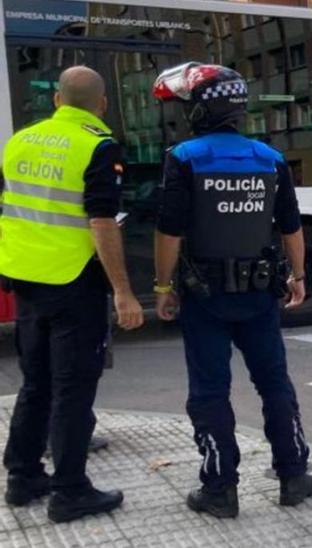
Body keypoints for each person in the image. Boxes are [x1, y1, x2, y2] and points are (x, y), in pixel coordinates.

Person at [150, 62, 312, 519]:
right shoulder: (270, 159)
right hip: (261, 294)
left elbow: (169, 231)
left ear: (200, 110)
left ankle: (220, 488)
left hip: (205, 297)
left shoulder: (184, 158)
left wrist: (163, 287)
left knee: (209, 390)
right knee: (274, 383)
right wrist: (298, 276)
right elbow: (290, 227)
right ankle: (293, 476)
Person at [1, 66, 142, 523]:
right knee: (73, 389)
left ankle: (22, 479)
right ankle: (70, 491)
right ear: (101, 104)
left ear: (57, 100)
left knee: (35, 382)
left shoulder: (20, 141)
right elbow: (101, 221)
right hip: (73, 284)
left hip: (24, 279)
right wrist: (123, 291)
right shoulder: (98, 146)